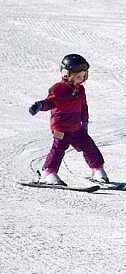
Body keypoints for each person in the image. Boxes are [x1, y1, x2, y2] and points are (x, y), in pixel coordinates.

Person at [28, 54, 108, 186]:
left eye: (83, 76)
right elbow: (50, 102)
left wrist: (85, 122)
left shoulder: (80, 89)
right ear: (66, 74)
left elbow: (83, 106)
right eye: (78, 76)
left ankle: (98, 170)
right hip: (60, 128)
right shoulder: (58, 89)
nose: (81, 79)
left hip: (76, 128)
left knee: (89, 147)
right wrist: (39, 105)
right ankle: (48, 173)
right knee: (58, 148)